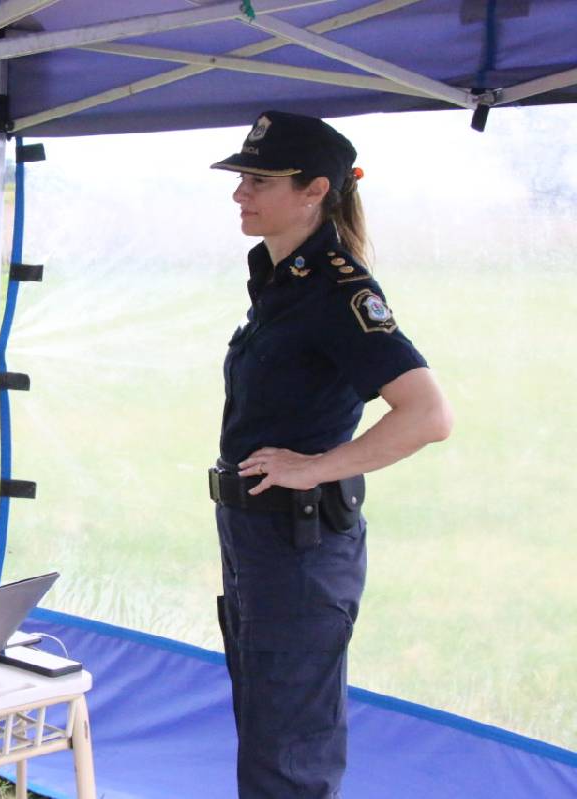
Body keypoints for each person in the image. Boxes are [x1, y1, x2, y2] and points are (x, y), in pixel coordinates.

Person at [207, 111, 453, 798]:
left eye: (258, 180)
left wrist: (314, 466)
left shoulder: (338, 290)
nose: (240, 193)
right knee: (267, 734)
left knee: (289, 755)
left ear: (315, 189)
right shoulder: (281, 283)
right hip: (260, 536)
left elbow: (429, 413)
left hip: (301, 543)